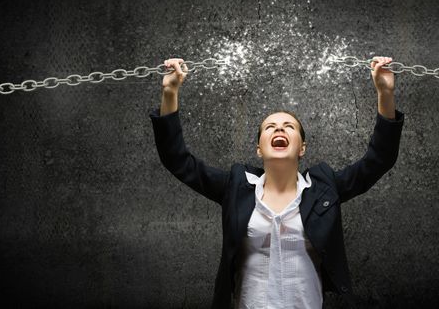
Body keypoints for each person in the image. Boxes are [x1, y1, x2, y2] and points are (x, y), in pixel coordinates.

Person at [149, 56, 405, 308]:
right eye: (270, 127)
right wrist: (170, 92)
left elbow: (378, 159)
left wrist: (385, 93)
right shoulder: (236, 187)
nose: (279, 129)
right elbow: (178, 160)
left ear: (302, 148)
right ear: (259, 149)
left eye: (288, 127)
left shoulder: (324, 189)